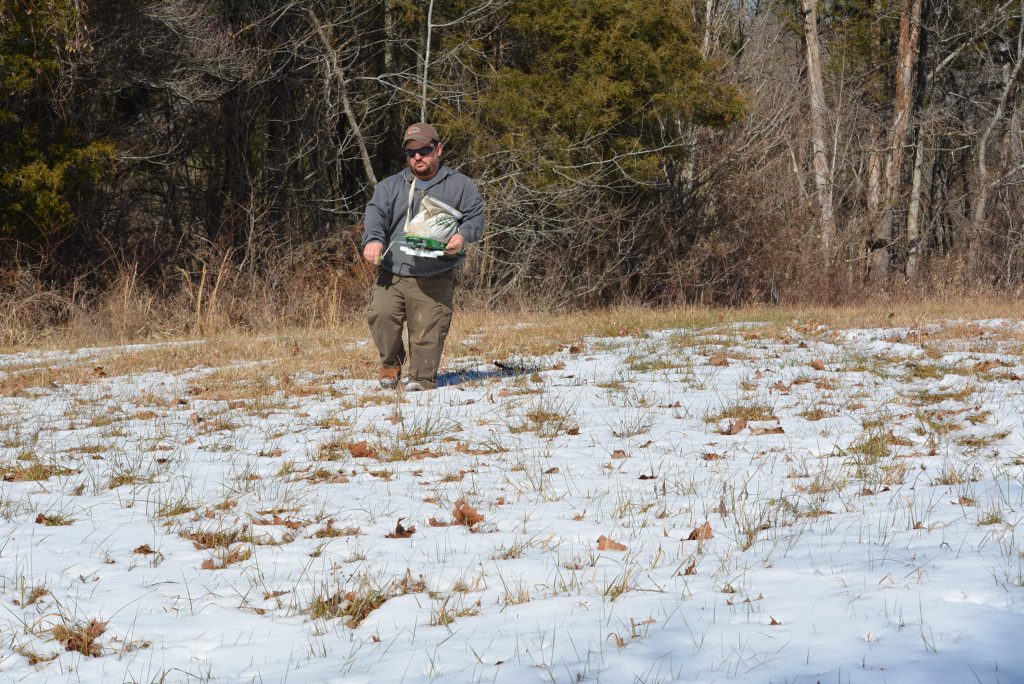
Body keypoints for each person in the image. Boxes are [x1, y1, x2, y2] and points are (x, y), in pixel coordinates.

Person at [361, 122, 485, 391]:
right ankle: (391, 365)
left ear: (438, 150)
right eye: (411, 152)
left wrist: (462, 236)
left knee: (428, 332)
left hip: (435, 275)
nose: (418, 157)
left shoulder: (460, 186)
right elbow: (375, 216)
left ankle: (421, 378)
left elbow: (476, 217)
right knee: (381, 316)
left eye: (425, 150)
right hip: (392, 272)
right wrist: (373, 240)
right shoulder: (389, 187)